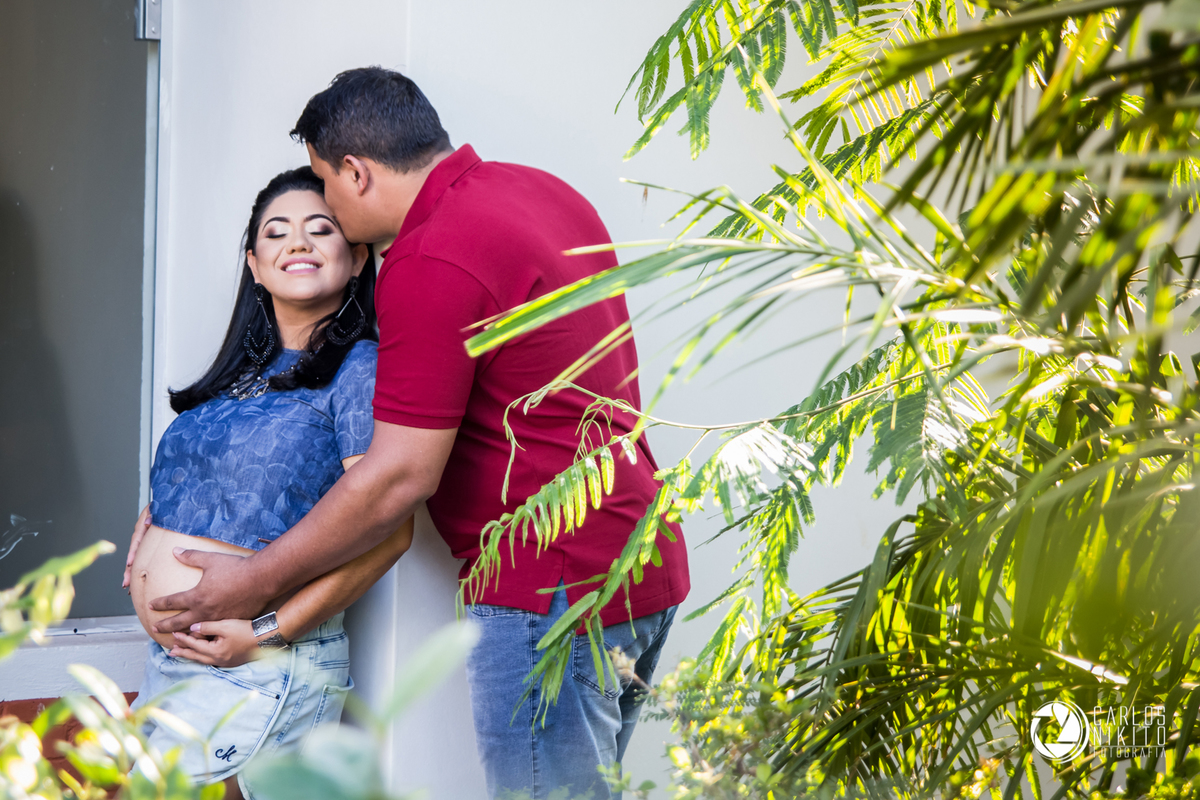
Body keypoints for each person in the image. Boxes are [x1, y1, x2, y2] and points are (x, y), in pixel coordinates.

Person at [148, 68, 690, 800]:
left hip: (549, 580)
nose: (328, 211)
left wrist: (254, 585)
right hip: (636, 555)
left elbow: (400, 476)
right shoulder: (541, 190)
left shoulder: (430, 256)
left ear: (355, 172)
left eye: (325, 191)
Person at [123, 166, 413, 800]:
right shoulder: (238, 376)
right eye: (277, 233)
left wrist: (263, 631)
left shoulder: (360, 368)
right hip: (178, 662)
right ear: (255, 264)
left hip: (256, 662)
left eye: (321, 229)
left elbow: (391, 534)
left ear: (357, 256)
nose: (298, 244)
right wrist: (151, 530)